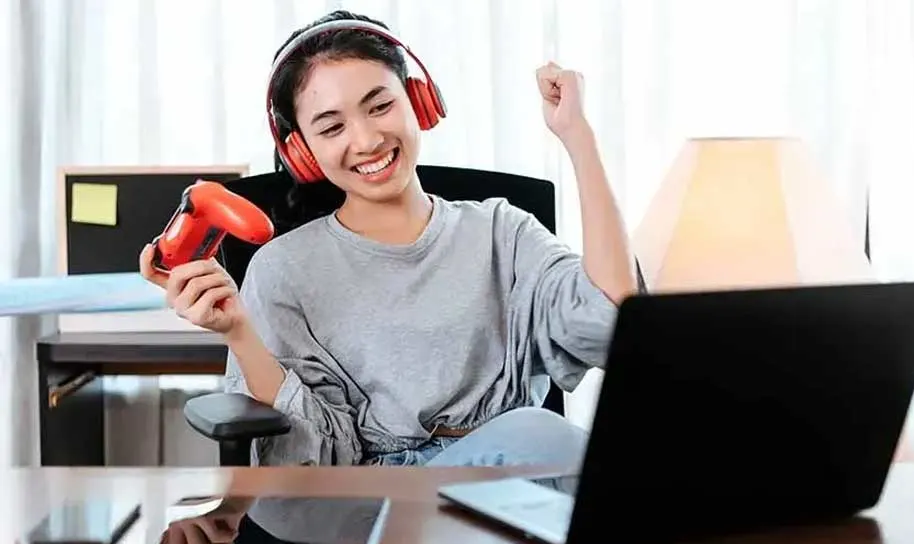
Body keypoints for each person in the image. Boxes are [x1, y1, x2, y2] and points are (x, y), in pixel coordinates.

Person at [139, 10, 636, 468]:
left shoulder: (501, 232)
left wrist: (578, 138)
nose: (366, 140)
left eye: (379, 106)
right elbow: (311, 456)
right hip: (376, 497)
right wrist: (239, 332)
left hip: (514, 481)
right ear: (303, 154)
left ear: (418, 102)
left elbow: (613, 324)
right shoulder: (281, 269)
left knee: (560, 442)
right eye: (331, 127)